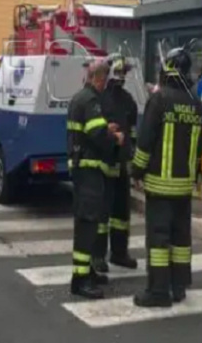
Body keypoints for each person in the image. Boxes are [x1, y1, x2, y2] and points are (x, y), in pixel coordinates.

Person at [132, 47, 202, 308]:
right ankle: (178, 286)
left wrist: (136, 172)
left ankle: (158, 291)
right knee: (180, 238)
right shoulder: (196, 103)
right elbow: (201, 148)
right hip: (184, 186)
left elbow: (145, 142)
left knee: (159, 238)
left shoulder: (159, 99)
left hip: (160, 186)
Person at [67, 59, 124, 299]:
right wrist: (115, 138)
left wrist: (105, 128)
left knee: (87, 224)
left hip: (83, 171)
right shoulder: (90, 100)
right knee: (87, 225)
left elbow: (92, 128)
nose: (104, 85)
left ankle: (87, 272)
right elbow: (97, 134)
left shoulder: (80, 97)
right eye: (104, 80)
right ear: (98, 79)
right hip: (89, 172)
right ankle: (80, 280)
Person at [92, 53, 139, 272]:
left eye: (124, 73)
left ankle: (119, 253)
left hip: (122, 164)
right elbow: (97, 132)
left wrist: (132, 157)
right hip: (104, 163)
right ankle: (97, 256)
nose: (122, 76)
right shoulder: (99, 99)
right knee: (102, 213)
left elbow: (132, 130)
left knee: (121, 213)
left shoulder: (128, 99)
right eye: (119, 72)